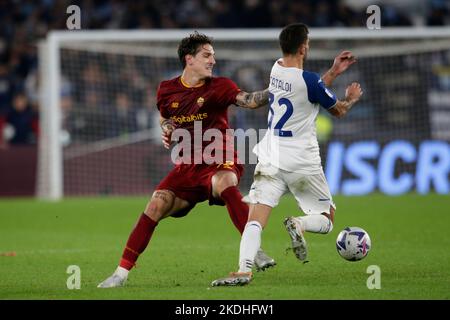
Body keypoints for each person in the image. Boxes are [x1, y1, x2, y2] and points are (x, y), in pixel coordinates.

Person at [98, 32, 276, 288]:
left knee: (224, 182)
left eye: (213, 55)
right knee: (155, 205)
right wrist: (168, 127)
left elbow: (249, 101)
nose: (213, 60)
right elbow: (165, 116)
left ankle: (253, 249)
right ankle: (120, 274)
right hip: (188, 166)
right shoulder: (166, 90)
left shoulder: (220, 86)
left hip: (220, 157)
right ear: (189, 59)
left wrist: (280, 86)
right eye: (207, 55)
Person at [211, 23, 363, 286]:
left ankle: (243, 270)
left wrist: (333, 72)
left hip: (271, 155)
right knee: (327, 219)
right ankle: (300, 224)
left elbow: (307, 91)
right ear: (304, 47)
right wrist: (351, 98)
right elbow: (337, 109)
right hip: (302, 159)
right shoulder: (310, 80)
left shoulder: (277, 68)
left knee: (255, 219)